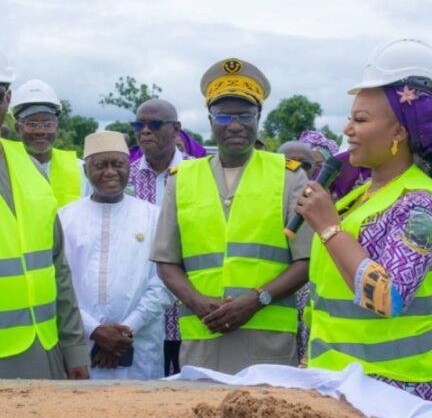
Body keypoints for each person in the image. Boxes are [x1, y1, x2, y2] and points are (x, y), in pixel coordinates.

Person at [151, 58, 312, 374]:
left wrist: (257, 300)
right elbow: (166, 262)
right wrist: (196, 302)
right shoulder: (180, 178)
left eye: (245, 115)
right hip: (203, 339)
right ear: (211, 121)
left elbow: (305, 262)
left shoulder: (289, 177)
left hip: (269, 344)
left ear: (258, 118)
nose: (235, 124)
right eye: (224, 115)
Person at [297, 38, 432, 400]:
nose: (347, 130)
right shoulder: (357, 198)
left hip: (393, 391)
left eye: (360, 120)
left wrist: (327, 228)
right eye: (349, 118)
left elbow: (390, 298)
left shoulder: (420, 203)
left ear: (398, 134)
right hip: (338, 383)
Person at [0, 35, 89, 379]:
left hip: (46, 353)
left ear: (7, 99)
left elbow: (57, 267)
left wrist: (73, 350)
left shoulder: (27, 163)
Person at [59, 131, 172, 379]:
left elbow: (164, 281)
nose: (110, 172)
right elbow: (57, 284)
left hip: (138, 346)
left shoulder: (153, 216)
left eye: (117, 164)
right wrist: (94, 330)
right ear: (87, 170)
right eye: (100, 165)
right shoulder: (65, 218)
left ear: (128, 168)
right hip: (81, 345)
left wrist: (126, 331)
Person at [127, 98, 189, 376]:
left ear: (176, 129)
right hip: (139, 313)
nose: (145, 131)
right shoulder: (124, 177)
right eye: (139, 125)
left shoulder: (200, 174)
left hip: (191, 306)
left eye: (154, 124)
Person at [12, 79, 92, 207]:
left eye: (48, 124)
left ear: (57, 128)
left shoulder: (80, 169)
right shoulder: (4, 168)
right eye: (32, 124)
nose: (40, 131)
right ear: (17, 128)